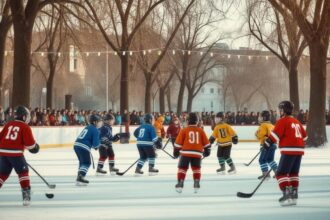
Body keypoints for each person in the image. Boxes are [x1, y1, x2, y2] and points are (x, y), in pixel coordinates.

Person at [263, 101, 307, 206]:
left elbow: (274, 136)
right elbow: (305, 137)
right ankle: (294, 194)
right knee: (293, 173)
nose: (279, 112)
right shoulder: (297, 122)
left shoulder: (283, 121)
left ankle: (287, 193)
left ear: (283, 110)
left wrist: (267, 143)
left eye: (280, 109)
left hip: (289, 149)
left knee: (280, 173)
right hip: (299, 150)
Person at [0, 106, 40, 206]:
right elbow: (30, 145)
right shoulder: (25, 127)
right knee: (23, 171)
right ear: (23, 117)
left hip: (2, 153)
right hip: (15, 154)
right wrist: (36, 148)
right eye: (27, 116)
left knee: (2, 174)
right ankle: (26, 195)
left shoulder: (8, 124)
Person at [173, 112, 210, 193]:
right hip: (197, 153)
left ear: (187, 121)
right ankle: (196, 183)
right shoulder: (200, 130)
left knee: (182, 168)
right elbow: (207, 143)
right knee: (196, 169)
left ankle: (180, 183)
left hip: (185, 153)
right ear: (197, 121)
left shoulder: (184, 130)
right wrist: (207, 150)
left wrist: (176, 151)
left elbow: (177, 144)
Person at [74, 114, 102, 186]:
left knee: (82, 162)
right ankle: (80, 177)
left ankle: (79, 177)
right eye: (99, 121)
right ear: (95, 122)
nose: (101, 123)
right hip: (83, 147)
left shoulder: (88, 127)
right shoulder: (95, 130)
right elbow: (96, 145)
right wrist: (100, 145)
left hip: (77, 145)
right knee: (87, 162)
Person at [255, 110, 278, 179]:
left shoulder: (263, 125)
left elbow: (260, 135)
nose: (259, 118)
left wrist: (256, 134)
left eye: (260, 117)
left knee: (262, 160)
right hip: (273, 145)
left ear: (264, 118)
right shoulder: (271, 125)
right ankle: (277, 172)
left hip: (266, 145)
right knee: (270, 159)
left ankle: (265, 174)